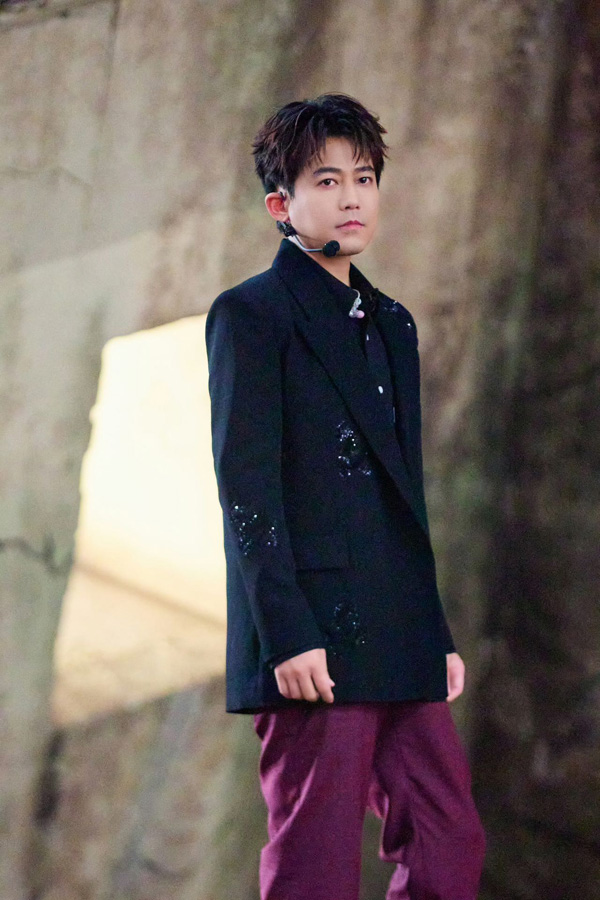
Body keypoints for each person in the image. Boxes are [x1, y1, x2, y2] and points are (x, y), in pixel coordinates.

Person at [205, 93, 485, 900]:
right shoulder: (250, 316)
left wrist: (433, 631)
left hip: (400, 629)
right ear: (281, 206)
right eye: (326, 181)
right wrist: (286, 635)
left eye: (364, 177)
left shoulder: (393, 322)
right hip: (312, 642)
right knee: (316, 868)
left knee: (450, 844)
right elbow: (246, 490)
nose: (352, 197)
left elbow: (404, 496)